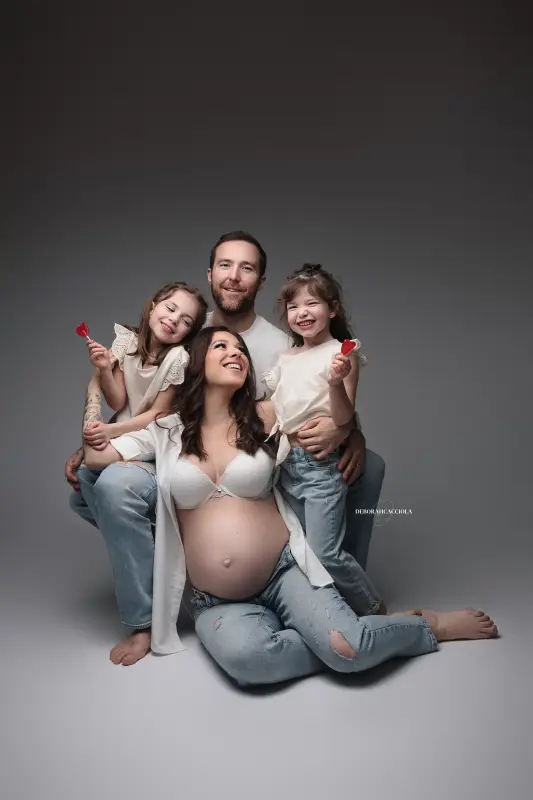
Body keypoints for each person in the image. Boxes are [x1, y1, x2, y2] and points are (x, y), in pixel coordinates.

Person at [82, 326, 498, 687]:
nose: (236, 354)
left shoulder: (266, 414)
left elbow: (331, 416)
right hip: (217, 600)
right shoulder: (166, 431)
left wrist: (348, 431)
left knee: (349, 650)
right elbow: (97, 459)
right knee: (250, 663)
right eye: (221, 348)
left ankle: (428, 625)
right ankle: (345, 632)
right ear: (196, 365)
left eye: (241, 350)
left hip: (285, 571)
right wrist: (94, 396)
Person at [66, 231, 384, 665]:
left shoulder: (280, 347)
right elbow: (133, 396)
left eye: (247, 268)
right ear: (210, 274)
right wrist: (97, 442)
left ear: (260, 280)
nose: (234, 277)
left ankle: (337, 600)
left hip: (245, 449)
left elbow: (312, 387)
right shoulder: (188, 329)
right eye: (225, 266)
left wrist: (351, 433)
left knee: (368, 468)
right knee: (99, 483)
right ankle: (160, 600)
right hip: (172, 449)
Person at [260, 263, 380, 614]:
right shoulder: (284, 357)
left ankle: (373, 608)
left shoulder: (342, 353)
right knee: (299, 548)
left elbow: (342, 418)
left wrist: (333, 382)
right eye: (293, 307)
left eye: (312, 303)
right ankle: (329, 613)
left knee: (325, 550)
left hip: (319, 465)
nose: (302, 313)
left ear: (333, 309)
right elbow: (276, 409)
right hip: (286, 464)